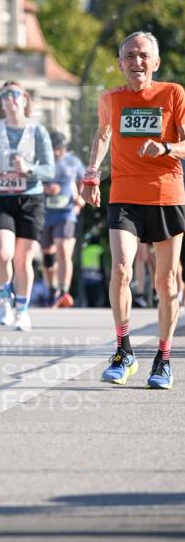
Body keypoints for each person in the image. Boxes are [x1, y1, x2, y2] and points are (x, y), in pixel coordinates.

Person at [81, 31, 185, 390]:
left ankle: (164, 359)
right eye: (129, 56)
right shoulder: (111, 97)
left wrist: (168, 148)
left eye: (143, 55)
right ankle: (124, 351)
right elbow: (103, 134)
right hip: (124, 194)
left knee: (165, 280)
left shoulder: (173, 94)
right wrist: (92, 174)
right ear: (120, 62)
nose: (136, 62)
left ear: (155, 62)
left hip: (166, 195)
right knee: (122, 269)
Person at [0, 81, 55, 332]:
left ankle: (22, 310)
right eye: (5, 94)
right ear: (1, 101)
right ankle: (4, 297)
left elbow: (49, 169)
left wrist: (29, 169)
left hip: (30, 200)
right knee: (2, 254)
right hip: (1, 198)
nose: (10, 98)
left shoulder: (38, 131)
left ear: (24, 99)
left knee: (23, 260)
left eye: (15, 93)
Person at [40, 132, 85, 308]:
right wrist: (46, 188)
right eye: (54, 149)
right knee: (48, 254)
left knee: (64, 250)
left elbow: (85, 179)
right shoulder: (41, 160)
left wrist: (81, 197)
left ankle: (64, 291)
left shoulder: (72, 161)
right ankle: (51, 290)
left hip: (66, 213)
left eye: (60, 149)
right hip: (45, 214)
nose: (57, 152)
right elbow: (30, 180)